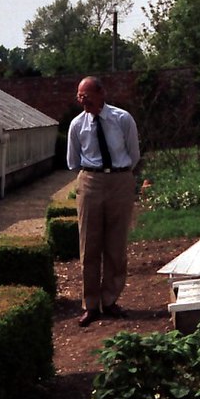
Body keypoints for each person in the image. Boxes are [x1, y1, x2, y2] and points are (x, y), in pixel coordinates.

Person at [67, 76, 140, 327]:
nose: (82, 99)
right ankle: (90, 305)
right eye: (79, 95)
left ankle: (110, 300)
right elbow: (72, 160)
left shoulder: (122, 119)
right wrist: (91, 176)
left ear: (101, 93)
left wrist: (120, 176)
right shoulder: (77, 125)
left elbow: (134, 153)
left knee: (116, 245)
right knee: (89, 246)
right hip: (90, 181)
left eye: (86, 94)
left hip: (120, 180)